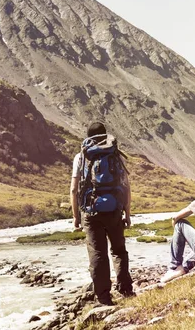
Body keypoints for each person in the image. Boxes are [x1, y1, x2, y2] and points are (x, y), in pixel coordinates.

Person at [68, 122, 133, 305]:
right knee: (119, 251)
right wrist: (127, 214)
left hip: (91, 212)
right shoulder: (115, 155)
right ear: (106, 136)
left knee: (98, 253)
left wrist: (76, 218)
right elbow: (126, 186)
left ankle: (104, 297)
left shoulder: (81, 157)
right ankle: (126, 289)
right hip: (114, 210)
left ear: (88, 137)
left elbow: (74, 189)